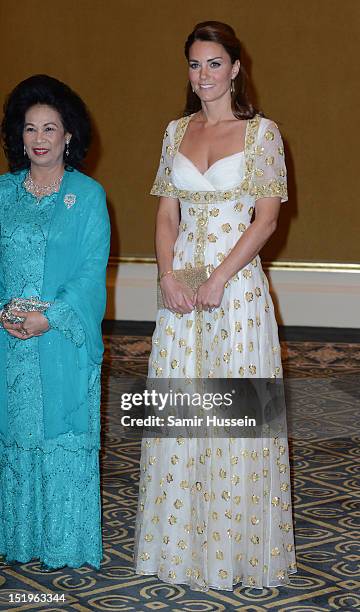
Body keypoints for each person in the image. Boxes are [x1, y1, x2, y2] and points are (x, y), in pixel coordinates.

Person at [134, 22, 297, 591]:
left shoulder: (262, 135)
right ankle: (179, 548)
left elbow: (267, 219)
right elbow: (165, 216)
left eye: (213, 63)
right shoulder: (175, 131)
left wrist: (220, 278)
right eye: (194, 65)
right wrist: (169, 276)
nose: (202, 76)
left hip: (236, 293)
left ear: (234, 68)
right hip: (181, 294)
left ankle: (236, 552)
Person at [0, 75, 110, 570]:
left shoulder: (87, 196)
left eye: (50, 128)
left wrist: (50, 317)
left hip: (60, 338)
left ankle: (64, 542)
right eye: (29, 129)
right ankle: (17, 538)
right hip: (6, 338)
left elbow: (91, 271)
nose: (39, 139)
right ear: (18, 136)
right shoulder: (2, 193)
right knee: (13, 431)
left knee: (60, 433)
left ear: (70, 136)